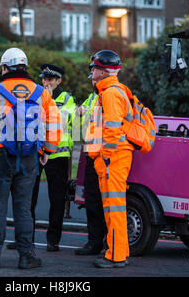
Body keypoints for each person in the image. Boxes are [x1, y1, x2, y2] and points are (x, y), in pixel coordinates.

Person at [0, 48, 62, 269]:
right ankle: (26, 256)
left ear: (4, 67)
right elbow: (55, 124)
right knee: (23, 209)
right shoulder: (41, 93)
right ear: (24, 67)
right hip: (29, 157)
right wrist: (47, 152)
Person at [6, 63, 76, 252]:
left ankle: (53, 240)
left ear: (58, 81)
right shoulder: (36, 95)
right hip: (37, 152)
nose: (46, 82)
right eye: (44, 78)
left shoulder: (67, 99)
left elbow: (62, 120)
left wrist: (49, 102)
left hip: (58, 155)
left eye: (50, 79)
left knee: (57, 200)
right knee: (28, 197)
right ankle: (24, 238)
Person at [86, 50, 134, 268]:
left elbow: (112, 129)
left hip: (112, 158)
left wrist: (105, 157)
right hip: (114, 157)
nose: (92, 71)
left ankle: (115, 256)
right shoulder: (110, 91)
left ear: (102, 70)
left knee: (113, 207)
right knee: (115, 206)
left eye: (94, 68)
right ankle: (120, 250)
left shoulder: (110, 93)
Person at [74, 92, 107, 256]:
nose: (93, 78)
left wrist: (84, 112)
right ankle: (95, 242)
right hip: (92, 155)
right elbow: (79, 118)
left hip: (104, 156)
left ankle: (105, 243)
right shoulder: (93, 97)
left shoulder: (109, 95)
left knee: (105, 203)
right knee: (92, 202)